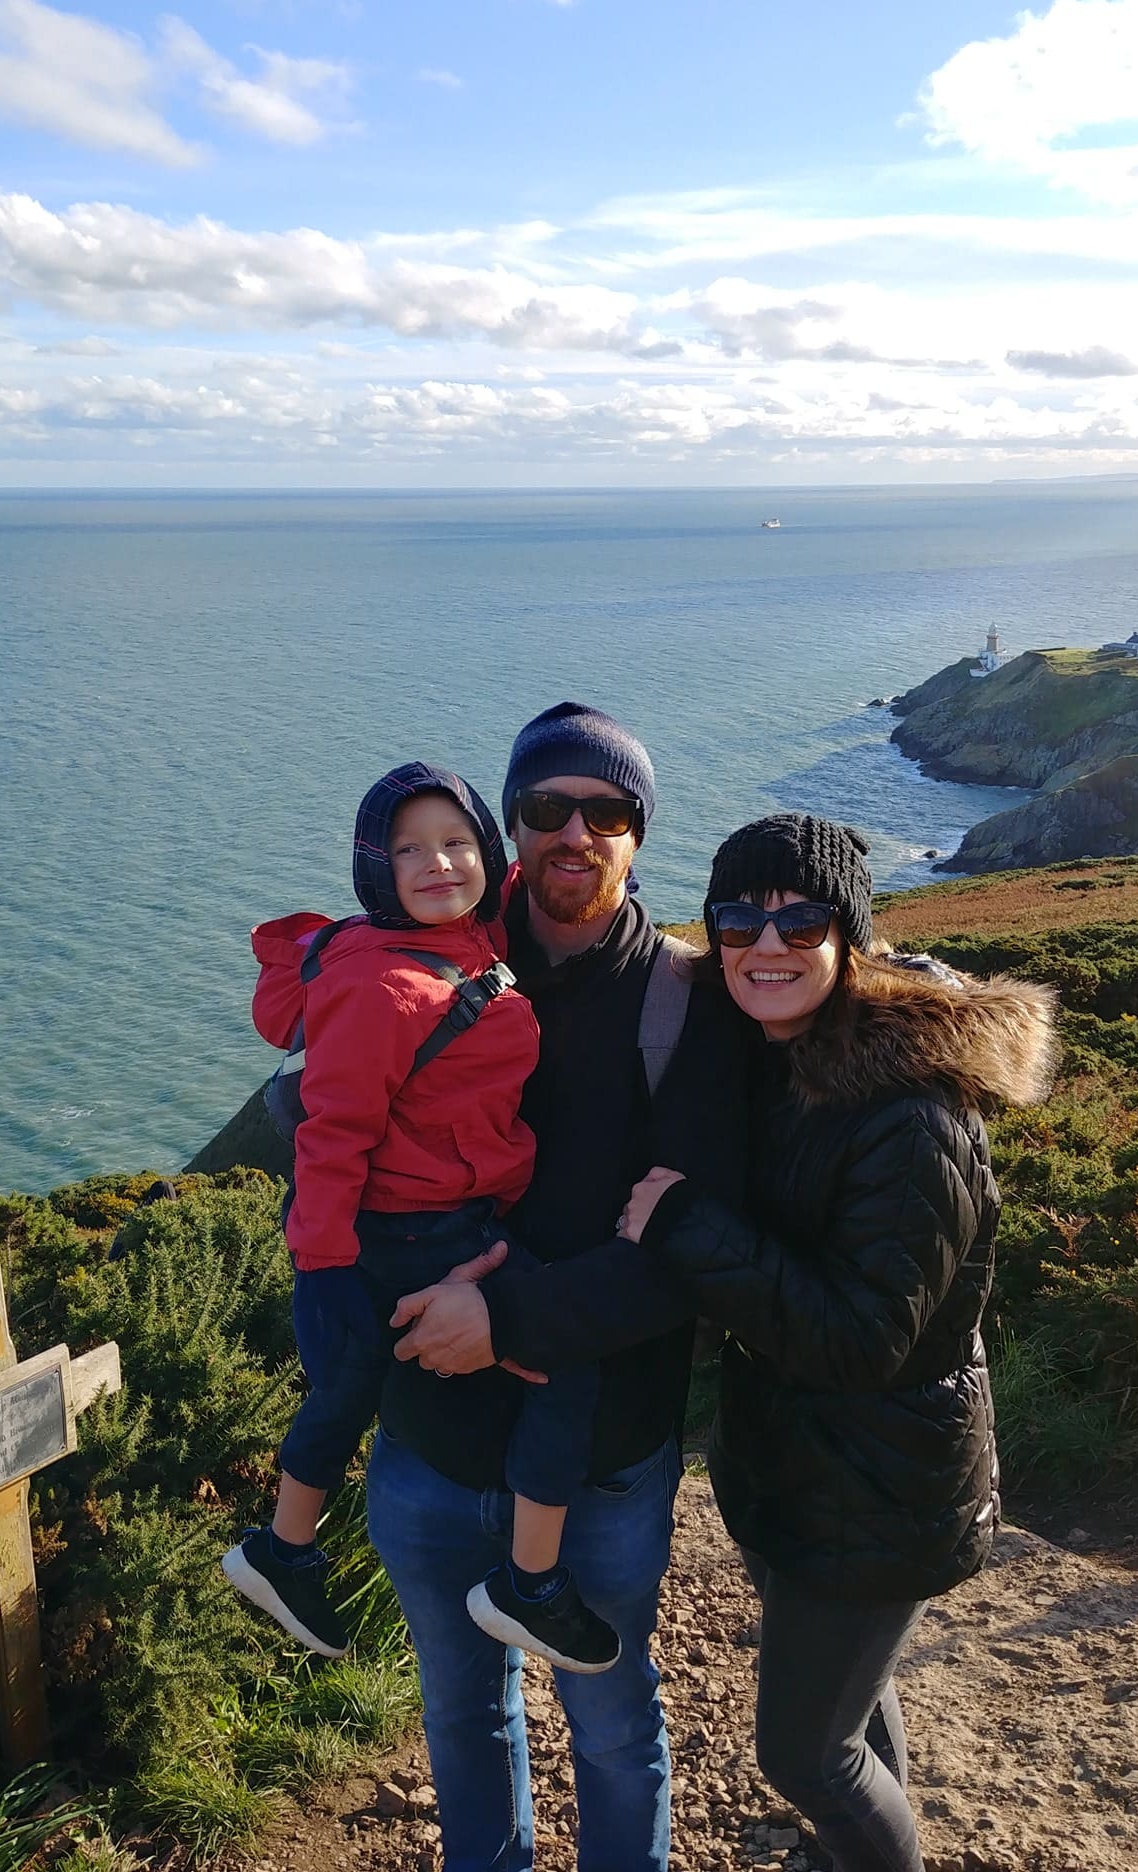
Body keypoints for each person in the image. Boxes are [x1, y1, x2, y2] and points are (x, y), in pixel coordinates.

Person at [620, 812, 1057, 1872]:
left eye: (800, 917)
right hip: (808, 1472)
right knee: (851, 1709)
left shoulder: (912, 1113)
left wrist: (685, 1224)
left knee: (806, 1751)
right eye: (739, 918)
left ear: (847, 934)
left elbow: (862, 1335)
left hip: (881, 1481)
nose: (767, 943)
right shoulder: (778, 1053)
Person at [363, 703, 754, 1872]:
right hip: (430, 1439)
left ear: (639, 835)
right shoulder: (425, 969)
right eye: (546, 808)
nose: (574, 831)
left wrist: (504, 1319)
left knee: (613, 1724)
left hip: (605, 1461)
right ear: (510, 828)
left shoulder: (693, 1009)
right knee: (460, 1717)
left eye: (608, 810)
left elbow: (687, 1252)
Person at [222, 761, 619, 1675]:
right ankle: (529, 1584)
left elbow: (524, 879)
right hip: (414, 1230)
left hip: (444, 1212)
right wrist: (321, 1272)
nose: (438, 863)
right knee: (559, 1359)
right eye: (408, 850)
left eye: (457, 842)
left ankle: (284, 1550)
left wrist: (571, 839)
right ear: (376, 870)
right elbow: (333, 1136)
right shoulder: (383, 987)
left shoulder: (464, 941)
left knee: (355, 1383)